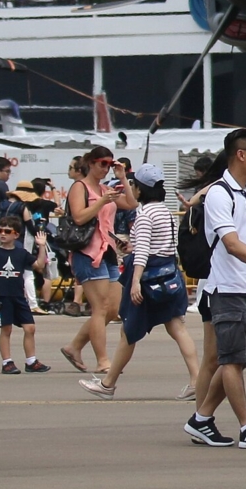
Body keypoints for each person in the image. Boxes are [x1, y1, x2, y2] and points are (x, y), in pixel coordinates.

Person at [186, 130, 246, 451]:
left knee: (238, 360)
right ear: (241, 154)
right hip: (225, 288)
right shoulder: (218, 194)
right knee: (229, 360)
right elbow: (231, 244)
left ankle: (201, 419)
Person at [83, 166, 198, 400]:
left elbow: (144, 252)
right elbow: (161, 246)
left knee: (129, 331)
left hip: (148, 280)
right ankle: (197, 380)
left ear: (140, 188)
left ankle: (108, 384)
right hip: (169, 277)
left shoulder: (144, 215)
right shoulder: (165, 212)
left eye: (133, 186)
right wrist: (131, 249)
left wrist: (135, 281)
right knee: (177, 327)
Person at [58, 147, 129, 378]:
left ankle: (74, 346)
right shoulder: (80, 187)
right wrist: (101, 201)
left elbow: (132, 203)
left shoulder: (105, 188)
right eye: (101, 163)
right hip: (87, 252)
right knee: (100, 308)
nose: (105, 168)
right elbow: (79, 216)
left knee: (113, 309)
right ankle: (102, 360)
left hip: (107, 251)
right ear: (90, 163)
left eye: (109, 164)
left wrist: (122, 178)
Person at [0, 218, 49, 374]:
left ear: (16, 235)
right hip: (1, 296)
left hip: (18, 296)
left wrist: (41, 246)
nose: (2, 234)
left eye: (7, 231)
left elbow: (39, 265)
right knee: (6, 329)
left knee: (30, 328)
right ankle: (7, 362)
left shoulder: (21, 253)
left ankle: (31, 361)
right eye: (0, 231)